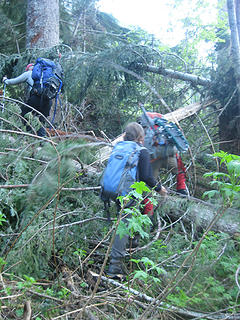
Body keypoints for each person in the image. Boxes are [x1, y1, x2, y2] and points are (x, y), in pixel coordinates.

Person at [107, 122, 167, 277]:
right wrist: (160, 189)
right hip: (128, 193)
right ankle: (114, 268)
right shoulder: (142, 151)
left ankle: (132, 247)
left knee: (128, 219)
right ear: (141, 136)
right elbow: (147, 177)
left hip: (115, 190)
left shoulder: (120, 146)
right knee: (124, 226)